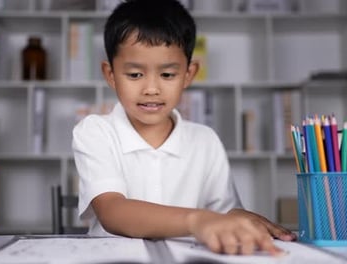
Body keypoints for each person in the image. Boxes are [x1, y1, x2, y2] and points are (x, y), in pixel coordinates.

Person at [72, 0, 296, 255]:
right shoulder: (95, 131)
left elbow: (221, 214)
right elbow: (112, 211)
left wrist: (236, 217)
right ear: (110, 74)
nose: (151, 89)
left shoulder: (205, 140)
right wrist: (197, 220)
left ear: (189, 74)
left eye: (167, 75)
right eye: (135, 75)